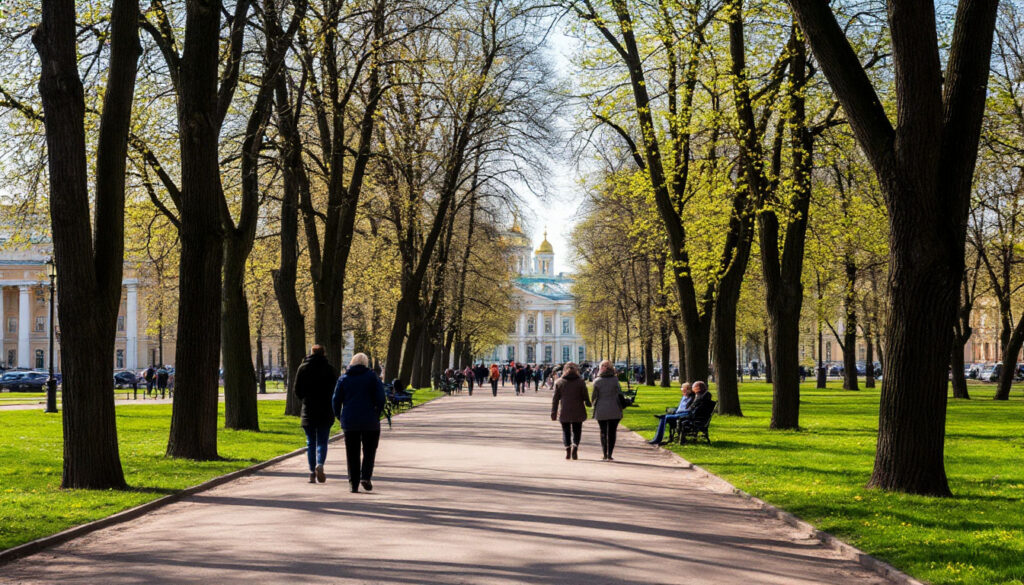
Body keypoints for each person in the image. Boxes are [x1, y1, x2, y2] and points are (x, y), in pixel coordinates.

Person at [332, 352, 386, 493]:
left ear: (352, 362)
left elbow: (336, 400)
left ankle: (353, 483)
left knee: (352, 453)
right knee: (369, 451)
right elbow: (381, 398)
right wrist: (377, 413)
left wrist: (339, 415)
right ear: (366, 363)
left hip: (350, 420)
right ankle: (366, 476)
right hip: (370, 420)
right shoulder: (373, 378)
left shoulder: (344, 378)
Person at [294, 345, 339, 484]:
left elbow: (297, 390)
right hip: (326, 410)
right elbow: (336, 390)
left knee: (310, 442)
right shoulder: (330, 369)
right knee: (323, 441)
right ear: (324, 353)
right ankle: (320, 463)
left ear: (311, 353)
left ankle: (312, 472)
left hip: (309, 410)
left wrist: (305, 399)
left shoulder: (303, 368)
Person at [551, 361, 591, 460]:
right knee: (577, 430)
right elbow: (585, 395)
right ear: (576, 370)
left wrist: (553, 412)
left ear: (564, 370)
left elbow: (555, 399)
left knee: (566, 431)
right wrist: (588, 402)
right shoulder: (580, 382)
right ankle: (575, 446)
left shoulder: (560, 382)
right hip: (578, 410)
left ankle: (568, 449)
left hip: (565, 410)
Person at [591, 360, 624, 461]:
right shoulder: (615, 380)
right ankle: (610, 454)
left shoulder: (597, 381)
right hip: (614, 408)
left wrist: (593, 404)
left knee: (603, 431)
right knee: (612, 432)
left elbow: (594, 397)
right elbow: (619, 393)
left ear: (602, 368)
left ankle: (604, 453)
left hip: (601, 408)